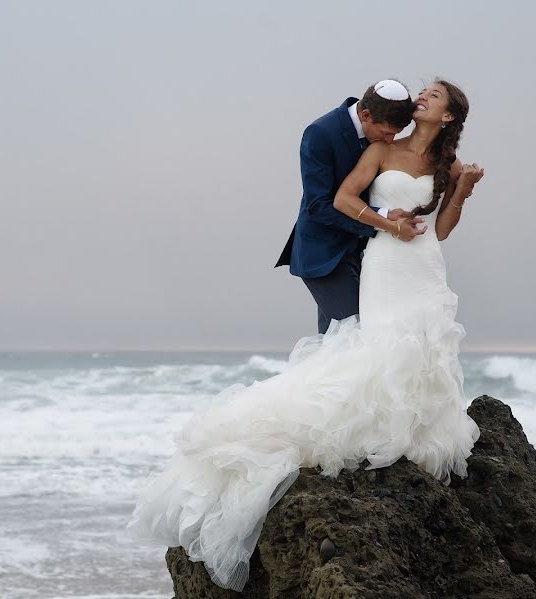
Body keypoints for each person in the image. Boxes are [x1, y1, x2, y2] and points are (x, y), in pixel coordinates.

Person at [129, 79, 484, 592]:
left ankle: (403, 428)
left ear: (448, 118)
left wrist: (464, 190)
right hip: (366, 252)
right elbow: (334, 199)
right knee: (359, 343)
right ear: (367, 116)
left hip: (422, 264)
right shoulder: (356, 143)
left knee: (416, 345)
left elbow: (445, 227)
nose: (416, 108)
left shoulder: (445, 163)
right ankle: (337, 428)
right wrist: (388, 225)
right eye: (411, 102)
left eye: (431, 98)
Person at [275, 80, 426, 334]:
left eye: (396, 134)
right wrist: (383, 221)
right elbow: (318, 206)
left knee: (332, 347)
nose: (390, 140)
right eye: (387, 132)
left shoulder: (379, 136)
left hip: (364, 255)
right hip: (323, 256)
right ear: (365, 115)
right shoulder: (320, 133)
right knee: (357, 334)